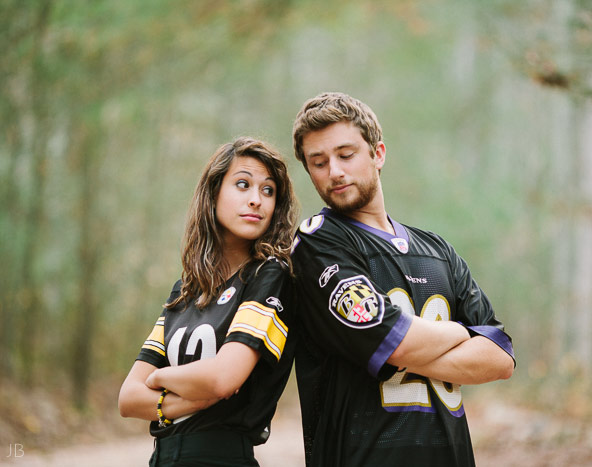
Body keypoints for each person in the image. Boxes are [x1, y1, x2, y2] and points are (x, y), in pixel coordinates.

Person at [290, 92, 515, 467]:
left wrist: (401, 344)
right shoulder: (317, 244)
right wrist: (464, 332)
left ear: (377, 154)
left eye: (346, 155)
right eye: (319, 162)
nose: (334, 171)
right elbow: (395, 344)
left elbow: (501, 360)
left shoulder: (437, 249)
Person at [118, 137, 299, 467]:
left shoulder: (269, 276)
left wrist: (159, 379)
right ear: (213, 192)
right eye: (242, 185)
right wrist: (193, 398)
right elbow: (128, 398)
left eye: (268, 190)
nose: (257, 200)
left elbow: (222, 379)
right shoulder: (185, 290)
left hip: (222, 457)